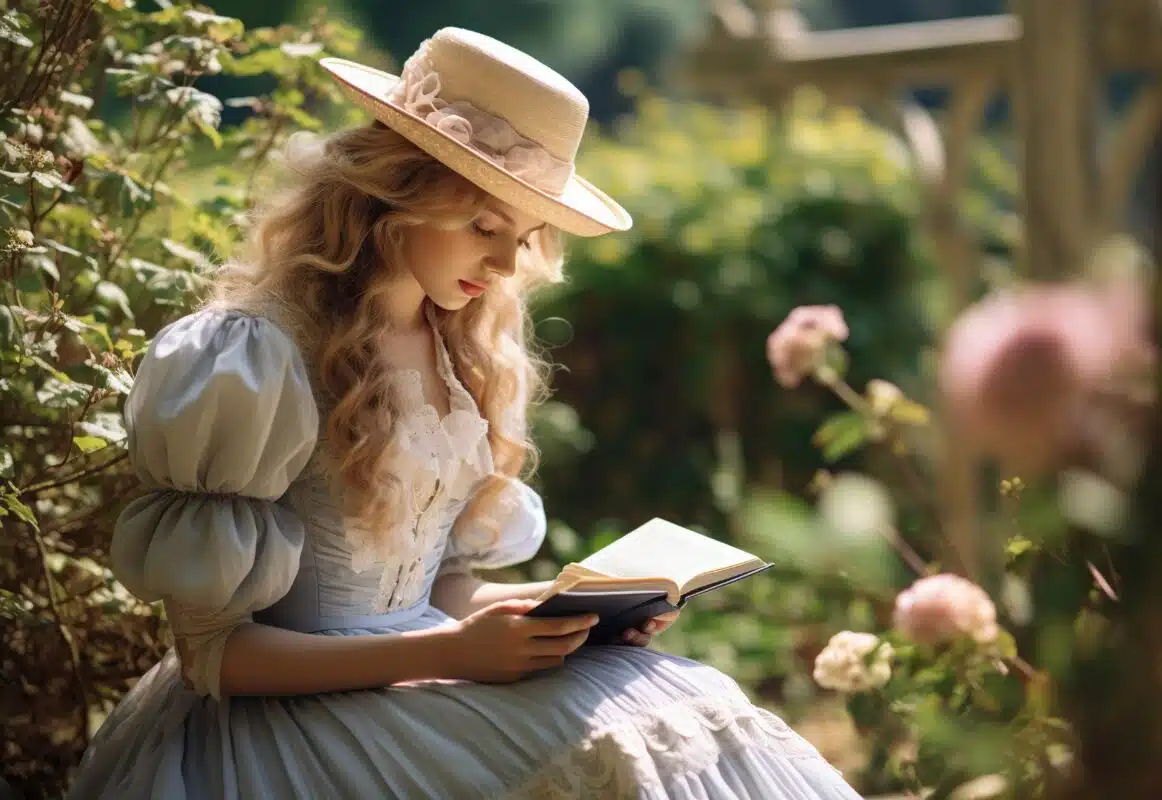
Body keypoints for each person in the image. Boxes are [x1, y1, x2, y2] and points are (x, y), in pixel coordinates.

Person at [70, 27, 862, 799]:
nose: (506, 263)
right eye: (484, 226)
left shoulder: (464, 350)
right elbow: (215, 657)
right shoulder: (256, 354)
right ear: (393, 195)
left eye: (523, 236)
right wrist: (453, 652)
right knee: (627, 736)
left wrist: (558, 616)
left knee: (687, 697)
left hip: (418, 678)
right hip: (290, 723)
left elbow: (432, 593)